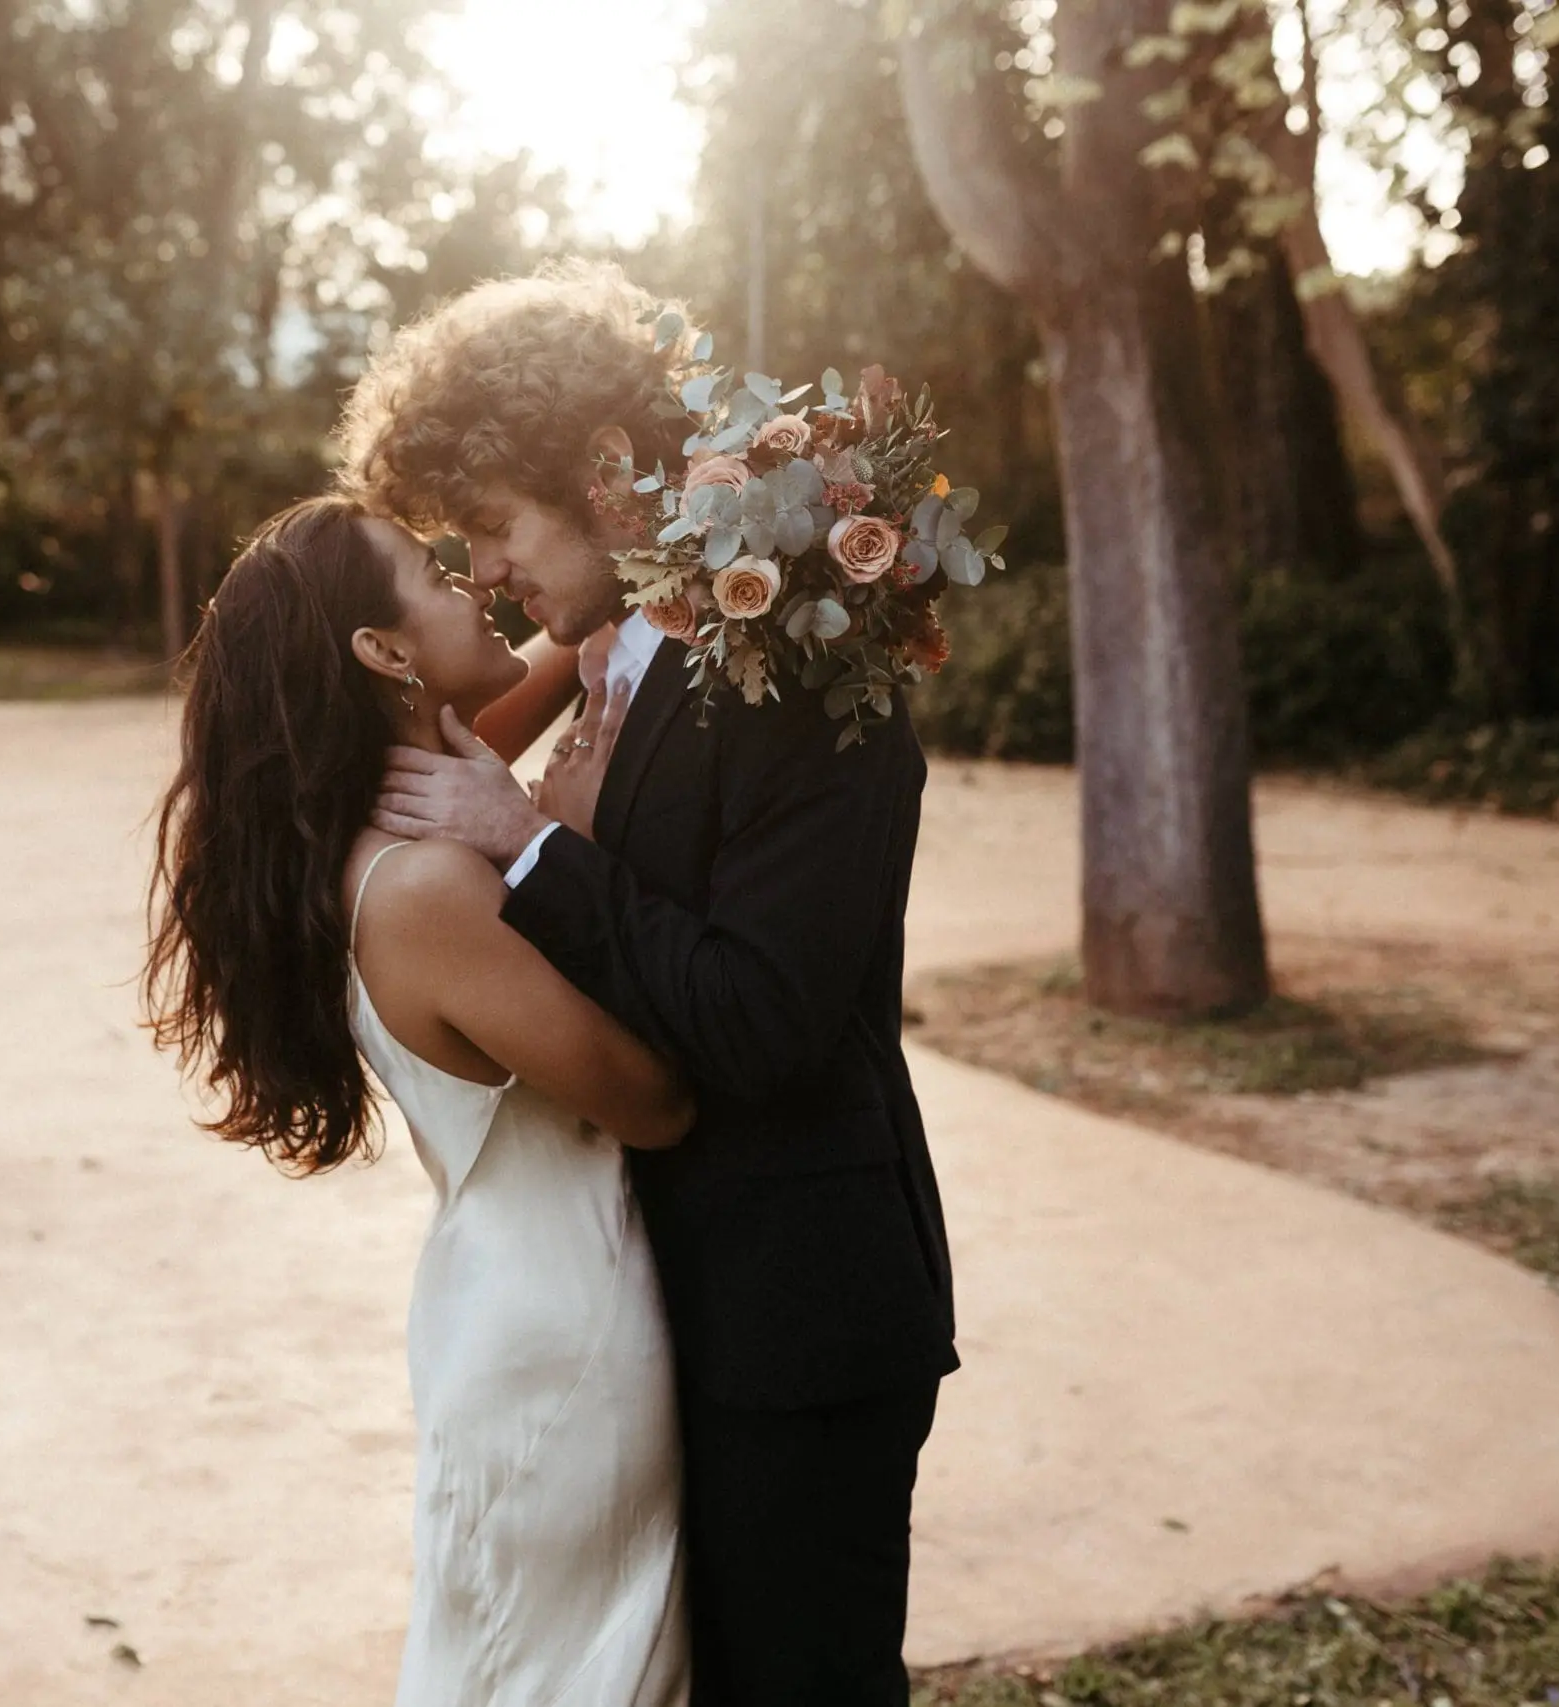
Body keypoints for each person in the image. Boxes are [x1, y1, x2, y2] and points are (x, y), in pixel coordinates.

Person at [338, 263, 960, 1706]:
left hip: (797, 1312)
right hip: (658, 1308)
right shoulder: (610, 654)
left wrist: (536, 842)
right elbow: (394, 712)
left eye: (494, 525)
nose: (483, 571)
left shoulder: (803, 669)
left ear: (603, 475)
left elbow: (762, 1017)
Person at [144, 495, 694, 1706]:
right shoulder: (426, 883)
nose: (476, 582)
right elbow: (655, 1101)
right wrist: (569, 840)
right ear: (384, 653)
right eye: (436, 576)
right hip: (568, 1330)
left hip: (508, 1293)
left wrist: (682, 548)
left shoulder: (408, 788)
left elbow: (567, 640)